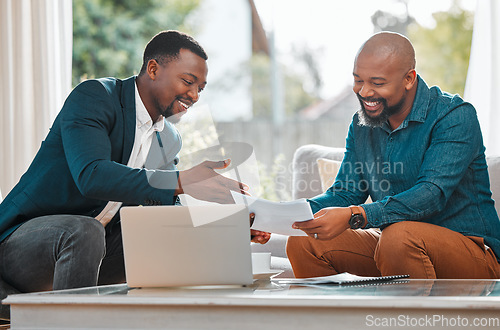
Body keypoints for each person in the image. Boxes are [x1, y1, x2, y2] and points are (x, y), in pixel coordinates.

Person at [0, 30, 269, 294]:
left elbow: (167, 211)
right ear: (153, 69)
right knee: (85, 230)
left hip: (95, 249)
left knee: (158, 237)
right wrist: (180, 180)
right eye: (188, 81)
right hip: (22, 245)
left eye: (200, 88)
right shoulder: (95, 97)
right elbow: (91, 175)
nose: (195, 95)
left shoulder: (169, 138)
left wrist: (228, 228)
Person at [287, 31, 500, 279]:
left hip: (472, 253)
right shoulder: (361, 125)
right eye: (358, 80)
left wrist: (358, 215)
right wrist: (282, 217)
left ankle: (405, 320)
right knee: (303, 242)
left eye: (377, 83)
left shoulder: (454, 116)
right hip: (394, 248)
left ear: (409, 79)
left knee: (398, 237)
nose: (364, 92)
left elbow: (431, 195)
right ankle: (338, 319)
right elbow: (345, 193)